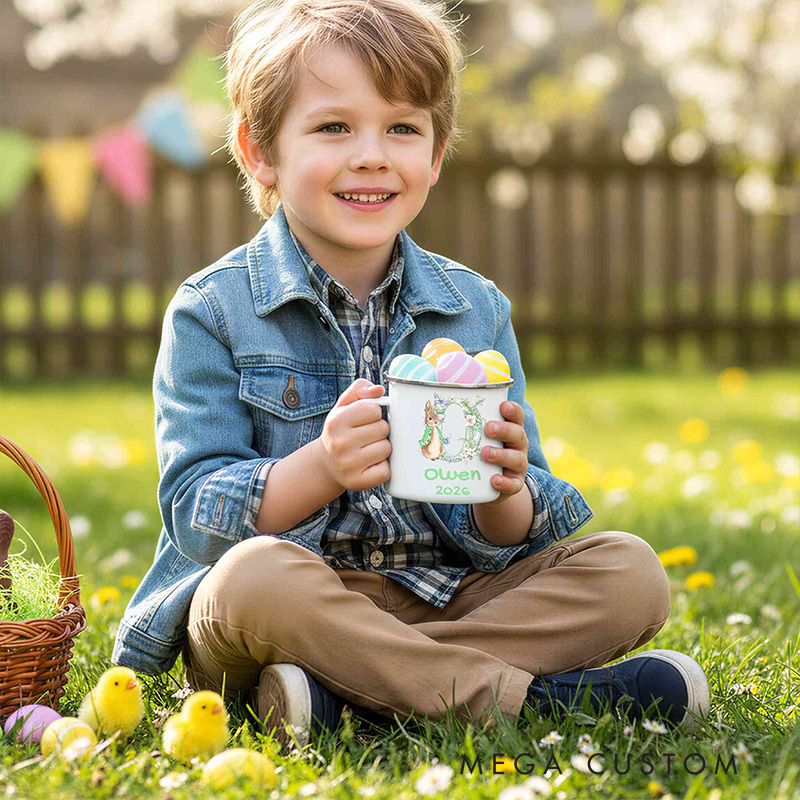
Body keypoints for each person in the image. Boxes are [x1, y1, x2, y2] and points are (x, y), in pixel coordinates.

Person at [112, 0, 709, 749]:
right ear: (261, 152)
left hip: (450, 596)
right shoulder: (214, 309)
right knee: (251, 578)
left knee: (630, 572)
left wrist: (506, 490)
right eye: (334, 127)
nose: (372, 156)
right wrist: (321, 467)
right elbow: (197, 516)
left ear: (436, 154)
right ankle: (534, 702)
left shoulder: (474, 307)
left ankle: (348, 698)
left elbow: (511, 539)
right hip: (294, 608)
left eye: (402, 128)